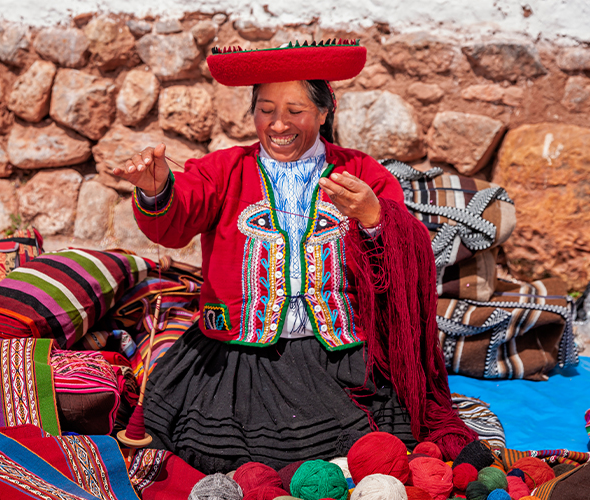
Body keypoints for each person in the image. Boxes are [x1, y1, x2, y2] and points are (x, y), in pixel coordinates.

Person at [112, 40, 476, 473]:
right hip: (238, 357)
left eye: (295, 110)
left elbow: (406, 250)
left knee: (375, 442)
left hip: (339, 355)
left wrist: (373, 216)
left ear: (325, 112)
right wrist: (156, 188)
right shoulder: (225, 169)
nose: (278, 124)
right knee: (217, 452)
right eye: (265, 110)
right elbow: (177, 215)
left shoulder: (359, 172)